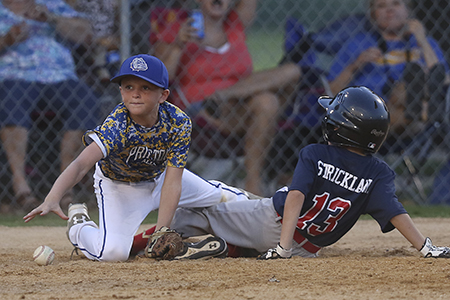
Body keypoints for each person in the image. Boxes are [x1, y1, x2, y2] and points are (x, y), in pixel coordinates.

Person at [132, 86, 450, 259]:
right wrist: (426, 247)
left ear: (338, 127)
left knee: (198, 210)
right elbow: (396, 212)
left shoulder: (315, 153)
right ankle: (226, 248)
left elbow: (296, 197)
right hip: (309, 250)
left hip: (275, 226)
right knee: (242, 208)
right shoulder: (379, 173)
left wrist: (283, 248)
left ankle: (135, 243)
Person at [23, 54, 251, 262]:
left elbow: (173, 181)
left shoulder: (178, 121)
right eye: (128, 86)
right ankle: (79, 226)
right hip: (121, 187)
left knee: (233, 200)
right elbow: (81, 164)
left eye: (145, 87)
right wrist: (53, 196)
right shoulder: (118, 125)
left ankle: (270, 208)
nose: (135, 93)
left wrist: (162, 230)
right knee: (113, 253)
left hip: (160, 178)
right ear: (121, 91)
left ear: (163, 95)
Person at [151, 0, 301, 195]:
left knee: (291, 72)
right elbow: (160, 77)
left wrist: (228, 94)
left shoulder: (234, 25)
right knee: (267, 101)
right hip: (203, 112)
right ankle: (253, 185)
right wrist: (178, 45)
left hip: (242, 103)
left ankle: (224, 94)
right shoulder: (178, 28)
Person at [0, 0, 100, 210]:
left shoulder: (50, 4)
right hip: (14, 76)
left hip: (61, 77)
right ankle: (21, 187)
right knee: (12, 102)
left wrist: (52, 18)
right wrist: (8, 38)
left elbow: (86, 34)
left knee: (85, 100)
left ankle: (66, 185)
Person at [326, 0, 449, 148]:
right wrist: (357, 64)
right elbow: (331, 91)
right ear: (373, 15)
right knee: (418, 101)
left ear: (408, 11)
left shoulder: (424, 43)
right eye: (381, 6)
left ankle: (365, 135)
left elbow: (444, 79)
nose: (389, 10)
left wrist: (422, 40)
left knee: (415, 82)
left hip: (406, 117)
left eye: (396, 4)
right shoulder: (358, 43)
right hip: (368, 110)